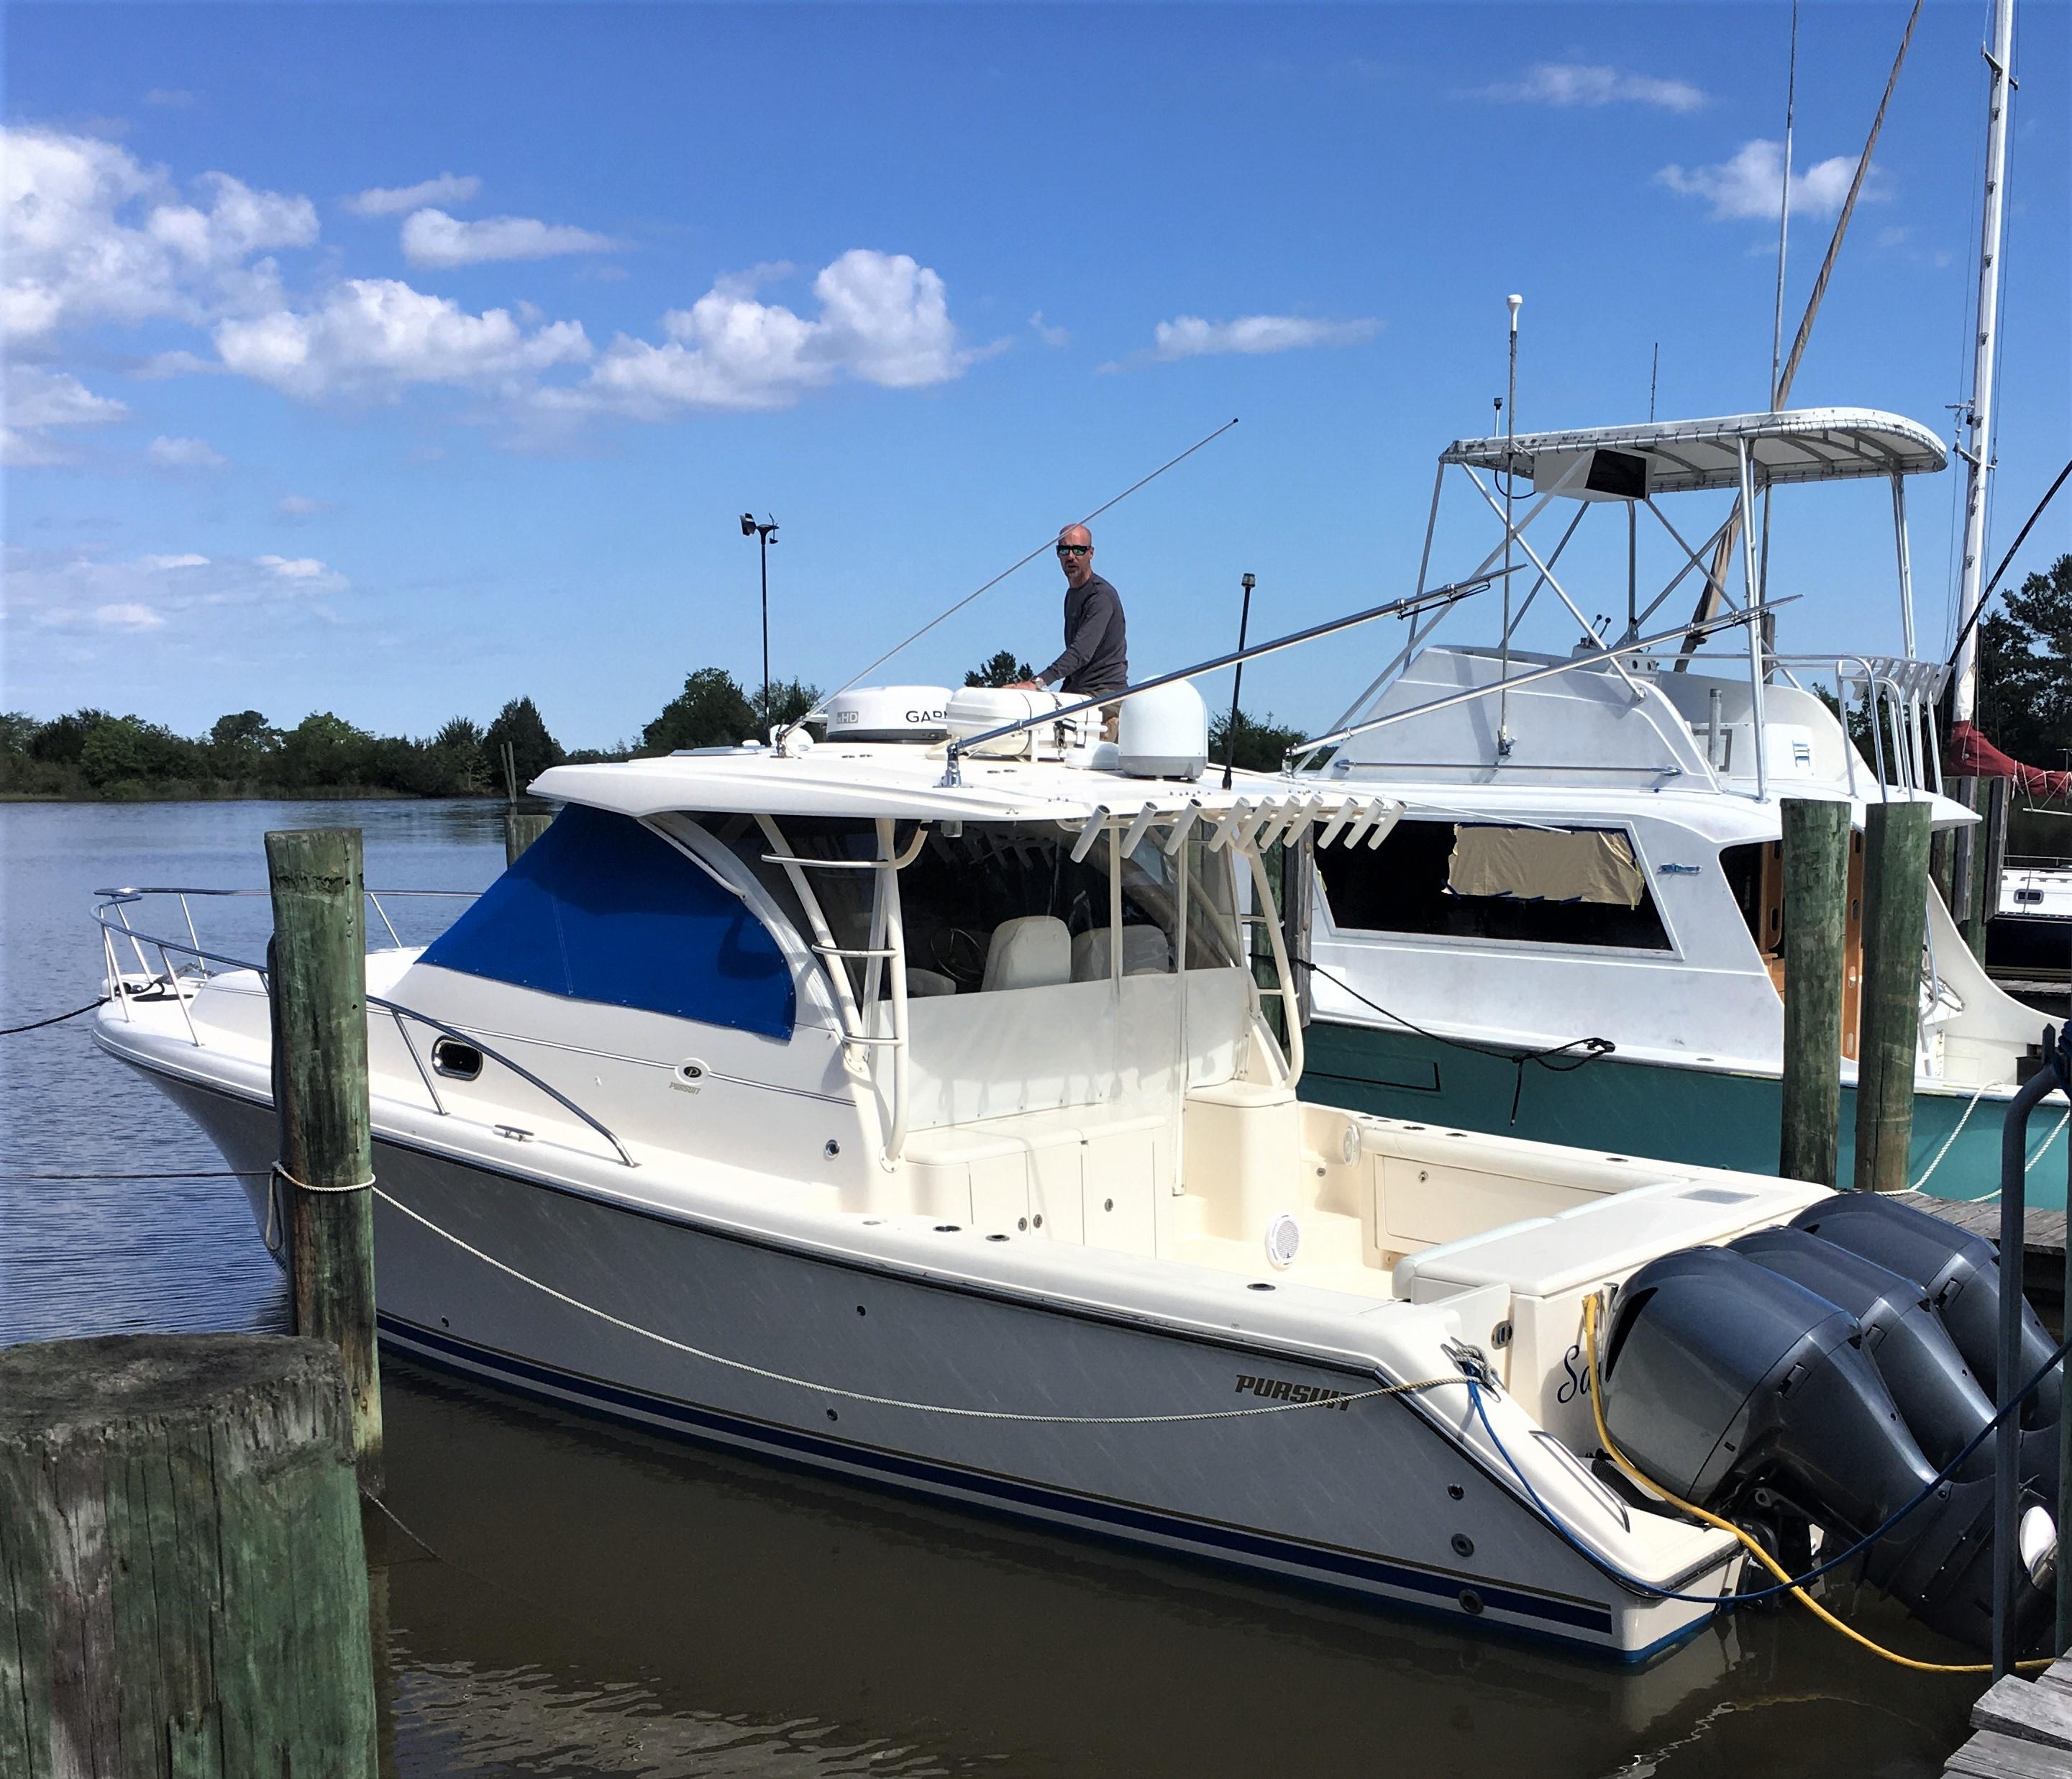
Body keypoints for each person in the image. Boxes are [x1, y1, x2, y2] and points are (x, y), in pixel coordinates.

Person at [1010, 525, 1128, 714]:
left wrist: (1038, 682)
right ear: (1058, 554)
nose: (1071, 556)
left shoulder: (1101, 596)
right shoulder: (1072, 594)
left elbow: (1081, 653)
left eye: (1079, 549)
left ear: (1091, 553)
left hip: (1105, 695)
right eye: (1064, 550)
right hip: (1078, 692)